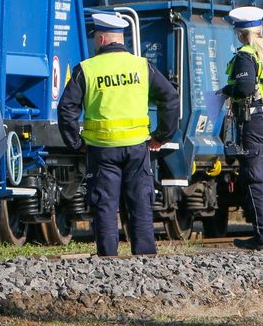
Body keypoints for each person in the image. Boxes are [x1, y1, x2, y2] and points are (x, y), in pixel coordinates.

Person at [57, 13, 179, 257]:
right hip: (137, 147)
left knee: (104, 204)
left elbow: (66, 109)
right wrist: (162, 135)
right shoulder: (142, 66)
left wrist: (76, 143)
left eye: (95, 38)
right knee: (140, 203)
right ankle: (145, 255)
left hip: (101, 149)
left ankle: (108, 259)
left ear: (101, 39)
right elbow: (170, 98)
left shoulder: (87, 69)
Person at [223, 6, 263, 251]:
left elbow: (245, 87)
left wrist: (227, 91)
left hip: (257, 123)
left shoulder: (246, 54)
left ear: (240, 32)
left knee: (256, 179)